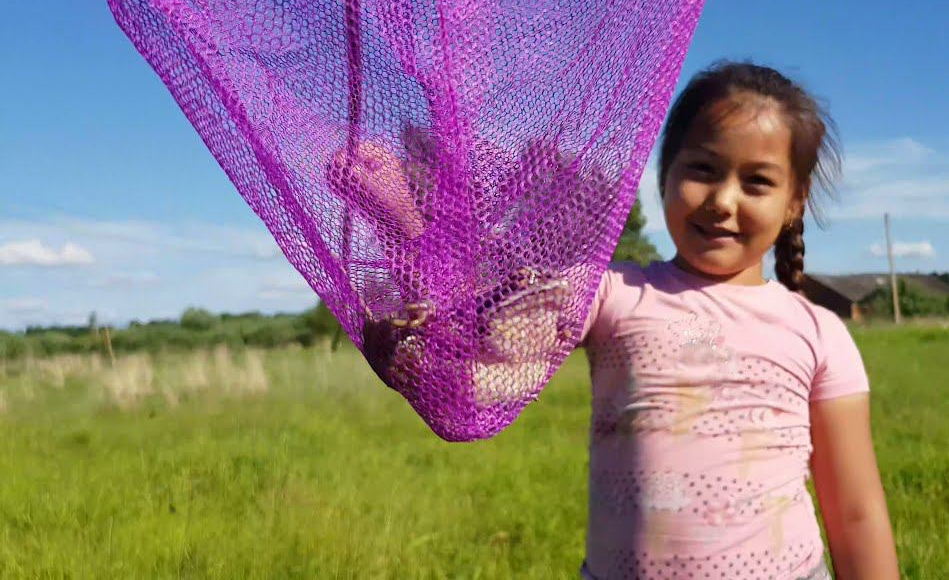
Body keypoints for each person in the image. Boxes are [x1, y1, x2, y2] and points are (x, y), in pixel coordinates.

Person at [335, 61, 899, 578]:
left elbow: (856, 513)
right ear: (665, 177)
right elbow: (474, 328)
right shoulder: (609, 292)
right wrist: (402, 220)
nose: (723, 200)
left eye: (757, 182)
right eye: (703, 169)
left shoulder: (820, 332)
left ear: (794, 201)